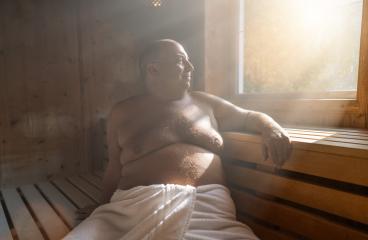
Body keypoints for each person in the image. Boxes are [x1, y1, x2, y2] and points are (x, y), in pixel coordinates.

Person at [65, 39, 292, 240]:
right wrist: (102, 206)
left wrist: (270, 127)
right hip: (132, 208)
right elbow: (114, 167)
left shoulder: (205, 103)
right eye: (181, 61)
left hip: (207, 210)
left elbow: (250, 117)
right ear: (153, 69)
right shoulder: (122, 112)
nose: (191, 67)